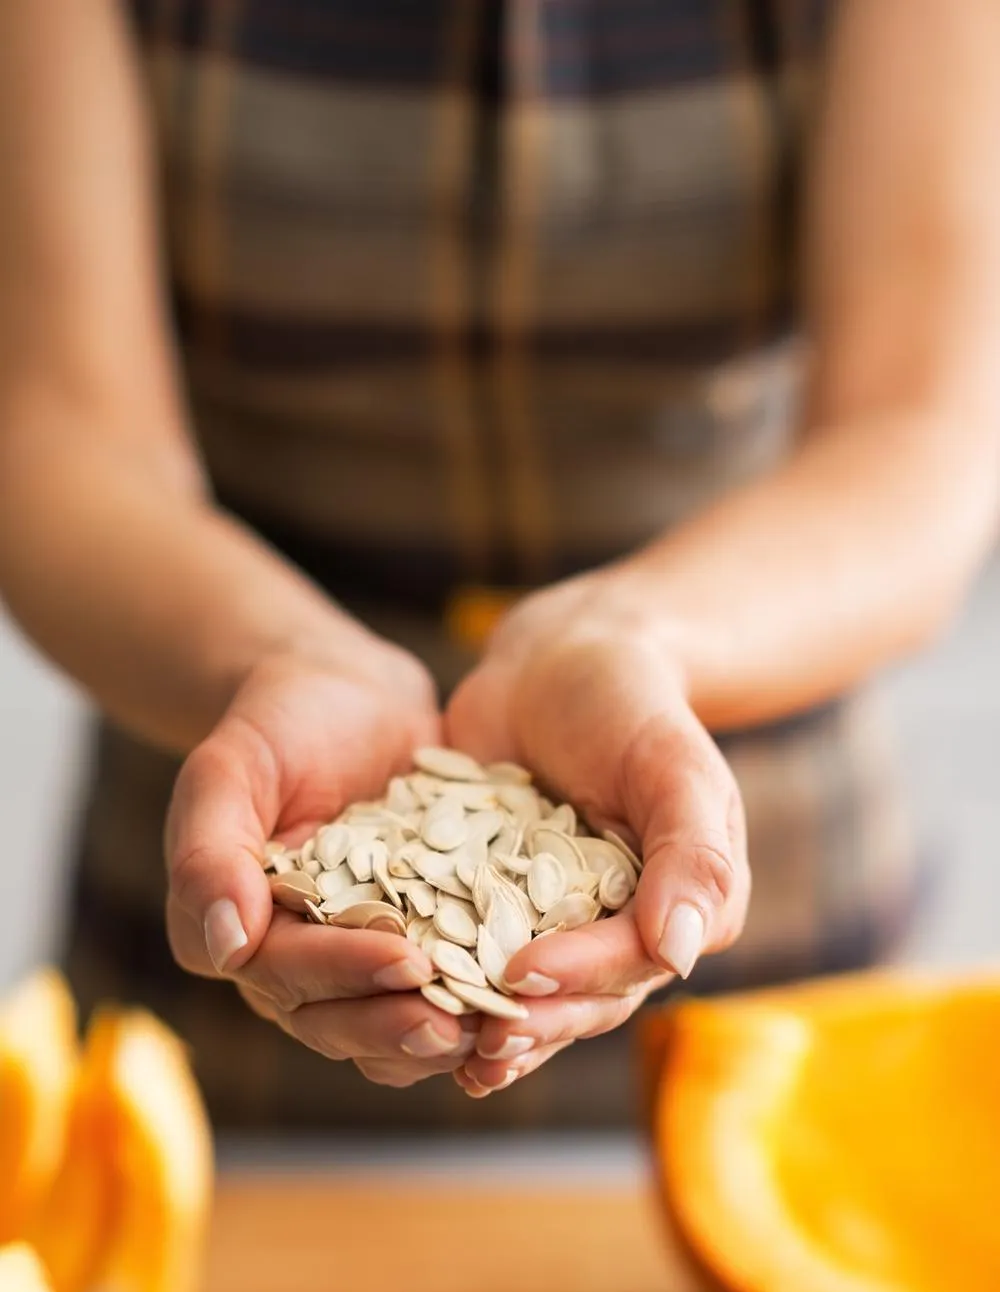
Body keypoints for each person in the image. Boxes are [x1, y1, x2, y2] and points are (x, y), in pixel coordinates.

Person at [1, 0, 998, 1131]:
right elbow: (64, 436)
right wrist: (276, 657)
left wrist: (638, 641)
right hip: (221, 951)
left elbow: (916, 430)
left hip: (773, 963)